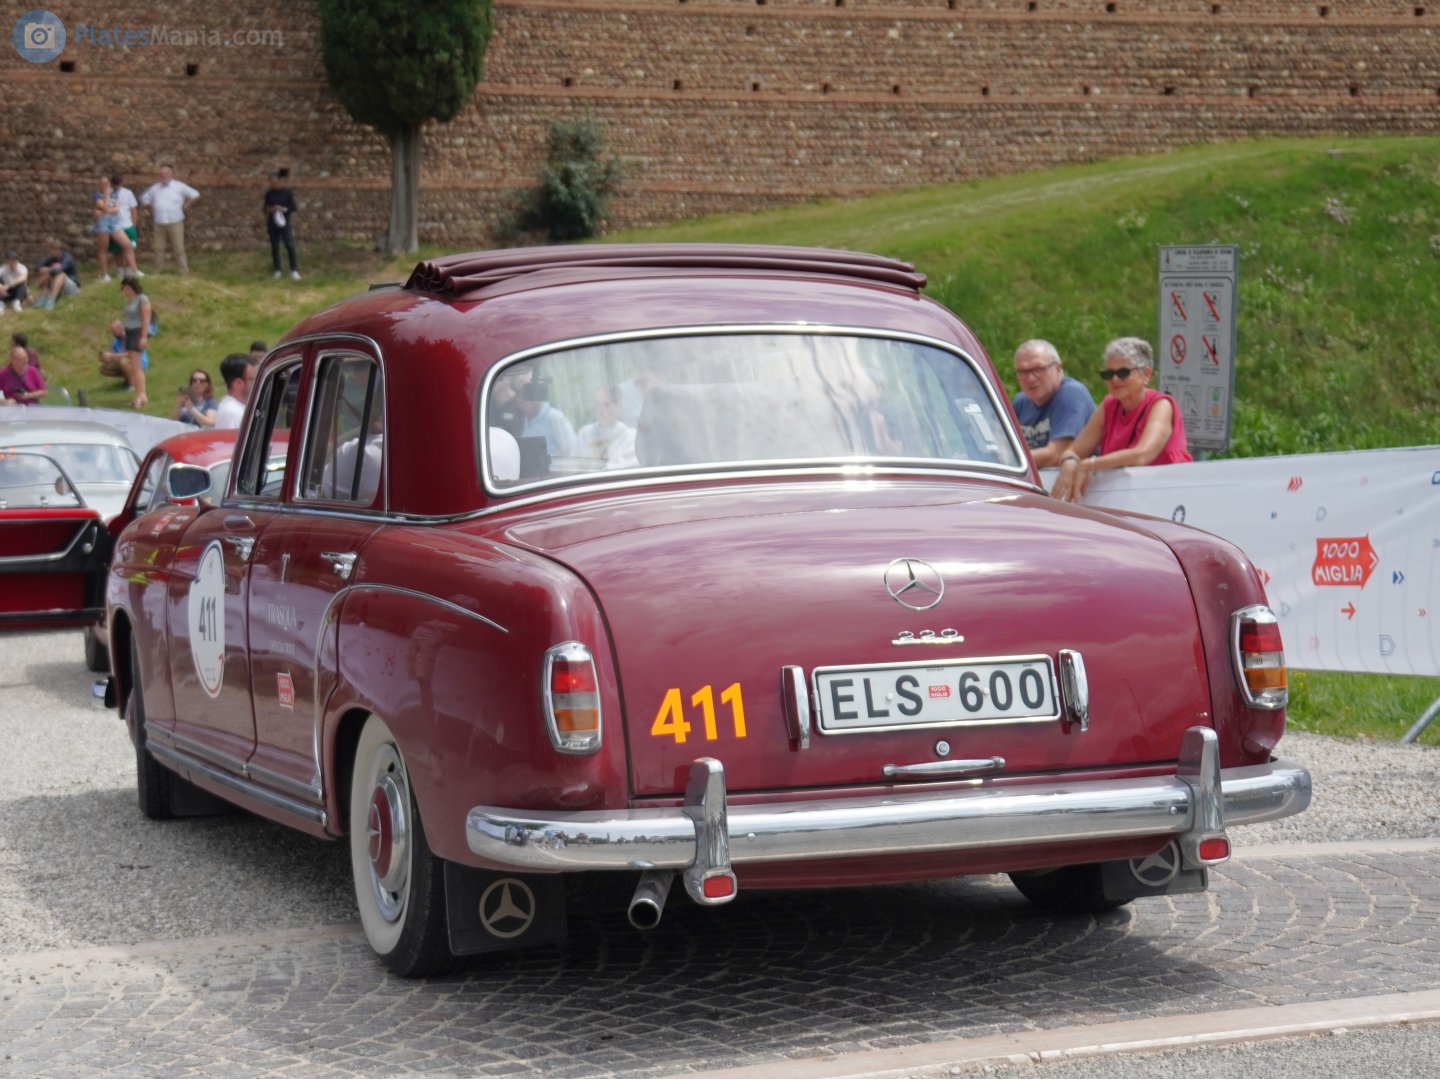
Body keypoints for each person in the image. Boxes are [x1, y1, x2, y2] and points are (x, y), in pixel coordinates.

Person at [1050, 336, 1192, 503]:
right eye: (1108, 374)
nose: (1115, 380)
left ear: (1145, 373)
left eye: (1123, 373)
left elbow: (1142, 455)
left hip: (1166, 498)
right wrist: (1069, 463)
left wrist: (1089, 465)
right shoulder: (1109, 405)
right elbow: (1074, 450)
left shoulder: (1161, 405)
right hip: (1124, 499)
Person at [1011, 339, 1096, 468]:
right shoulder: (1020, 402)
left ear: (1058, 368)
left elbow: (1057, 454)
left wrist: (1007, 460)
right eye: (1023, 372)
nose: (1030, 378)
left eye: (1038, 369)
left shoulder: (1072, 394)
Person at [139, 164, 200, 274]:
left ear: (171, 174)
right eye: (162, 174)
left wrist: (187, 205)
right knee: (158, 248)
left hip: (175, 221)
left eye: (166, 174)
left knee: (179, 248)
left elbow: (195, 194)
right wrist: (151, 207)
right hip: (159, 222)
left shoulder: (179, 186)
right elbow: (144, 198)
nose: (164, 176)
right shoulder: (155, 188)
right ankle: (158, 270)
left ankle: (183, 271)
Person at [575, 384, 637, 467]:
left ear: (617, 406)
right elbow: (575, 466)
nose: (600, 410)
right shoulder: (584, 434)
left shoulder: (627, 435)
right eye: (597, 404)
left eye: (606, 404)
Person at [115, 273, 151, 408]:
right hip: (129, 332)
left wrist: (143, 337)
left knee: (137, 367)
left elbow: (146, 319)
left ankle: (142, 394)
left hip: (137, 331)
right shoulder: (130, 301)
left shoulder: (142, 299)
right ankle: (138, 393)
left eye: (124, 288)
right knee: (133, 366)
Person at [518, 377, 576, 458]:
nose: (521, 399)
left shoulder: (554, 417)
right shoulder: (524, 422)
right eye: (519, 394)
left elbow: (571, 451)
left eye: (526, 394)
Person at [263, 169, 300, 280]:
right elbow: (265, 208)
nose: (272, 184)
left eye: (274, 182)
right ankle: (277, 269)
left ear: (279, 181)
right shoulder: (269, 194)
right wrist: (271, 209)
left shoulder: (287, 193)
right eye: (271, 183)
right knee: (275, 247)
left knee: (289, 245)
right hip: (272, 223)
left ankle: (294, 270)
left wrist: (283, 209)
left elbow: (293, 207)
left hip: (284, 222)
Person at [30, 242, 80, 309]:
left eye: (54, 250)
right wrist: (50, 268)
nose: (52, 252)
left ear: (60, 250)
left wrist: (48, 271)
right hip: (58, 288)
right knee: (45, 272)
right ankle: (42, 298)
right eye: (51, 250)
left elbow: (58, 271)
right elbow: (38, 267)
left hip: (72, 288)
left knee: (61, 275)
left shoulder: (67, 258)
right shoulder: (52, 258)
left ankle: (51, 300)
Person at [214, 352, 256, 430]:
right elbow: (230, 441)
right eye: (254, 379)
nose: (258, 383)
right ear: (238, 383)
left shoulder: (235, 408)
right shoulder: (233, 413)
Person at [109, 173, 140, 275]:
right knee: (117, 250)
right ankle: (120, 270)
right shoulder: (108, 194)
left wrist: (134, 225)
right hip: (115, 225)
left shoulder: (128, 193)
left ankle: (130, 269)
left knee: (130, 247)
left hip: (127, 224)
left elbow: (133, 209)